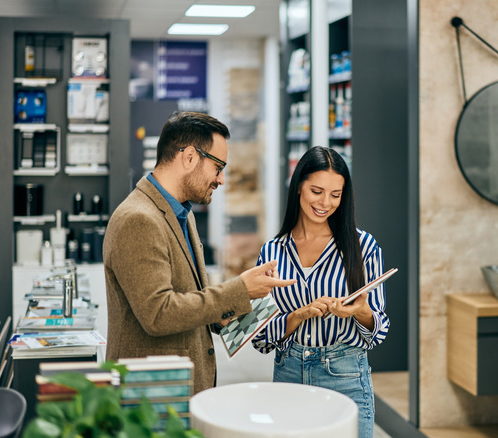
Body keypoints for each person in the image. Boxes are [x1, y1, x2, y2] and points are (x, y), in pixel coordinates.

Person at [103, 111, 295, 392]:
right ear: (190, 157)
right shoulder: (138, 219)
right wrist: (238, 289)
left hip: (179, 390)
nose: (222, 180)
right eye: (218, 167)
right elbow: (158, 313)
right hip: (150, 398)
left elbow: (187, 298)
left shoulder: (182, 214)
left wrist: (229, 312)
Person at [252, 146, 389, 438]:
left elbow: (378, 331)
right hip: (289, 372)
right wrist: (298, 316)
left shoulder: (362, 247)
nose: (325, 202)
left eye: (335, 195)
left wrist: (360, 311)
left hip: (346, 374)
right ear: (299, 185)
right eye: (317, 191)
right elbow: (260, 337)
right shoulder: (272, 253)